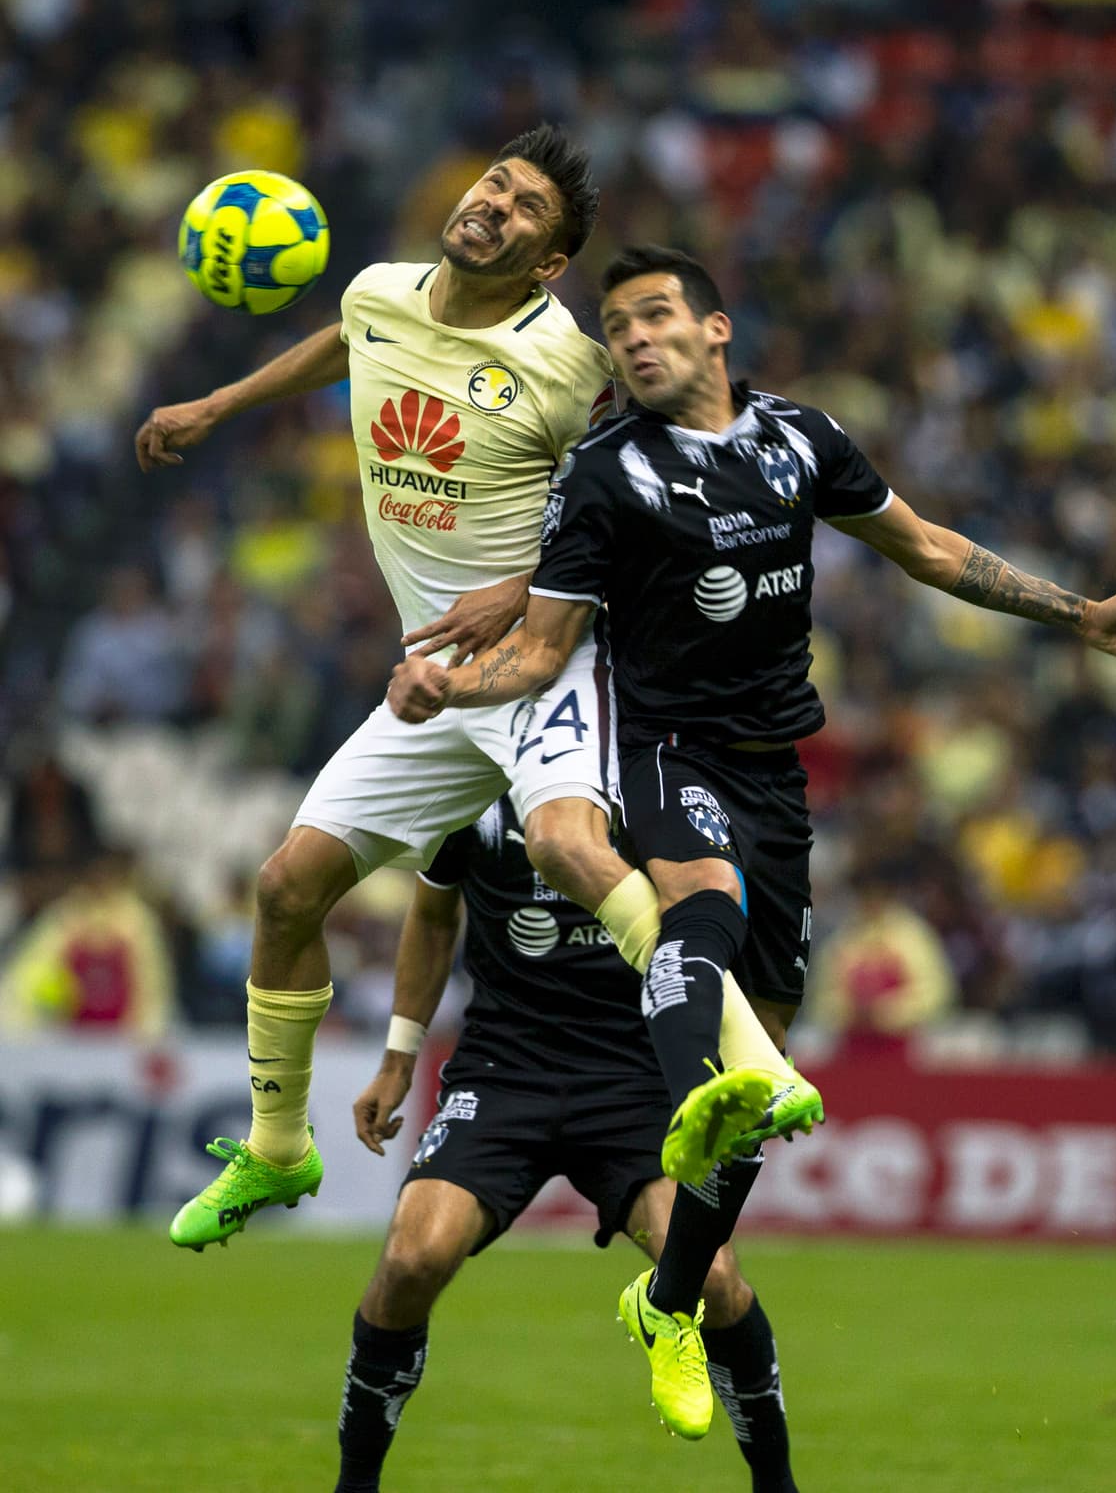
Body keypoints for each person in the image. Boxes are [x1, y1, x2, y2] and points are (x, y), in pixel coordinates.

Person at [386, 241, 1116, 1413]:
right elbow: (542, 651)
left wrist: (1078, 615)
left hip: (776, 780)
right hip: (665, 752)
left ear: (714, 330)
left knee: (754, 1091)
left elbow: (927, 549)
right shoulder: (603, 474)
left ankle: (666, 1300)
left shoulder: (802, 440)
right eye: (618, 325)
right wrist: (447, 687)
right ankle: (697, 1091)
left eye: (656, 315)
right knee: (697, 909)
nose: (635, 338)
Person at [135, 136, 811, 1252]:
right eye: (496, 182)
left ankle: (755, 1066)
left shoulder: (567, 363)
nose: (495, 202)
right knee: (287, 888)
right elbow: (345, 341)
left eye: (527, 206)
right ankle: (277, 1147)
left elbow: (637, 487)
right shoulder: (377, 294)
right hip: (438, 679)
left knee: (565, 847)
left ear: (548, 263)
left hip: (549, 659)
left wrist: (526, 583)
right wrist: (220, 404)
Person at [335, 797, 801, 1484]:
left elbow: (722, 919)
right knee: (411, 1259)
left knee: (715, 1281)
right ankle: (354, 1483)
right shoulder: (475, 792)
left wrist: (758, 1046)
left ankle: (777, 1483)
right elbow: (432, 916)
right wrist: (399, 1058)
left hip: (636, 1078)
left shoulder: (651, 792)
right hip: (503, 1074)